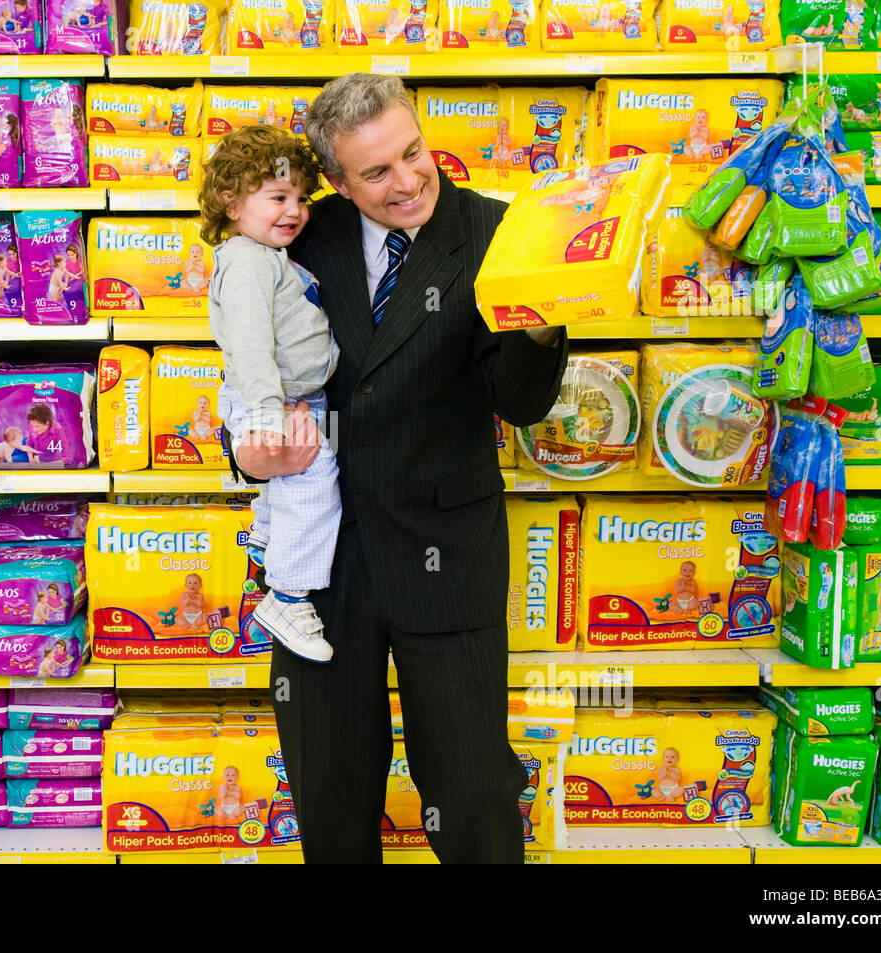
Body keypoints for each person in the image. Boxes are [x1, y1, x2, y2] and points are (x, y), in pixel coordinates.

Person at [228, 74, 567, 863]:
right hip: (322, 564)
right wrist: (245, 449)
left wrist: (547, 317)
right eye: (376, 173)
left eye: (413, 153)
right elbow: (254, 375)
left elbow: (517, 404)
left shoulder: (497, 231)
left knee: (473, 787)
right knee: (331, 786)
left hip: (445, 549)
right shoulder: (302, 238)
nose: (408, 180)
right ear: (337, 181)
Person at [200, 124, 341, 662]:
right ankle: (286, 596)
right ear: (231, 203)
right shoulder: (246, 262)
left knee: (292, 488)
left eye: (301, 199)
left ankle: (265, 538)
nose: (294, 211)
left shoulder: (266, 257)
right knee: (315, 489)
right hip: (273, 401)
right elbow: (253, 344)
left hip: (290, 399)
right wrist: (265, 417)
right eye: (278, 197)